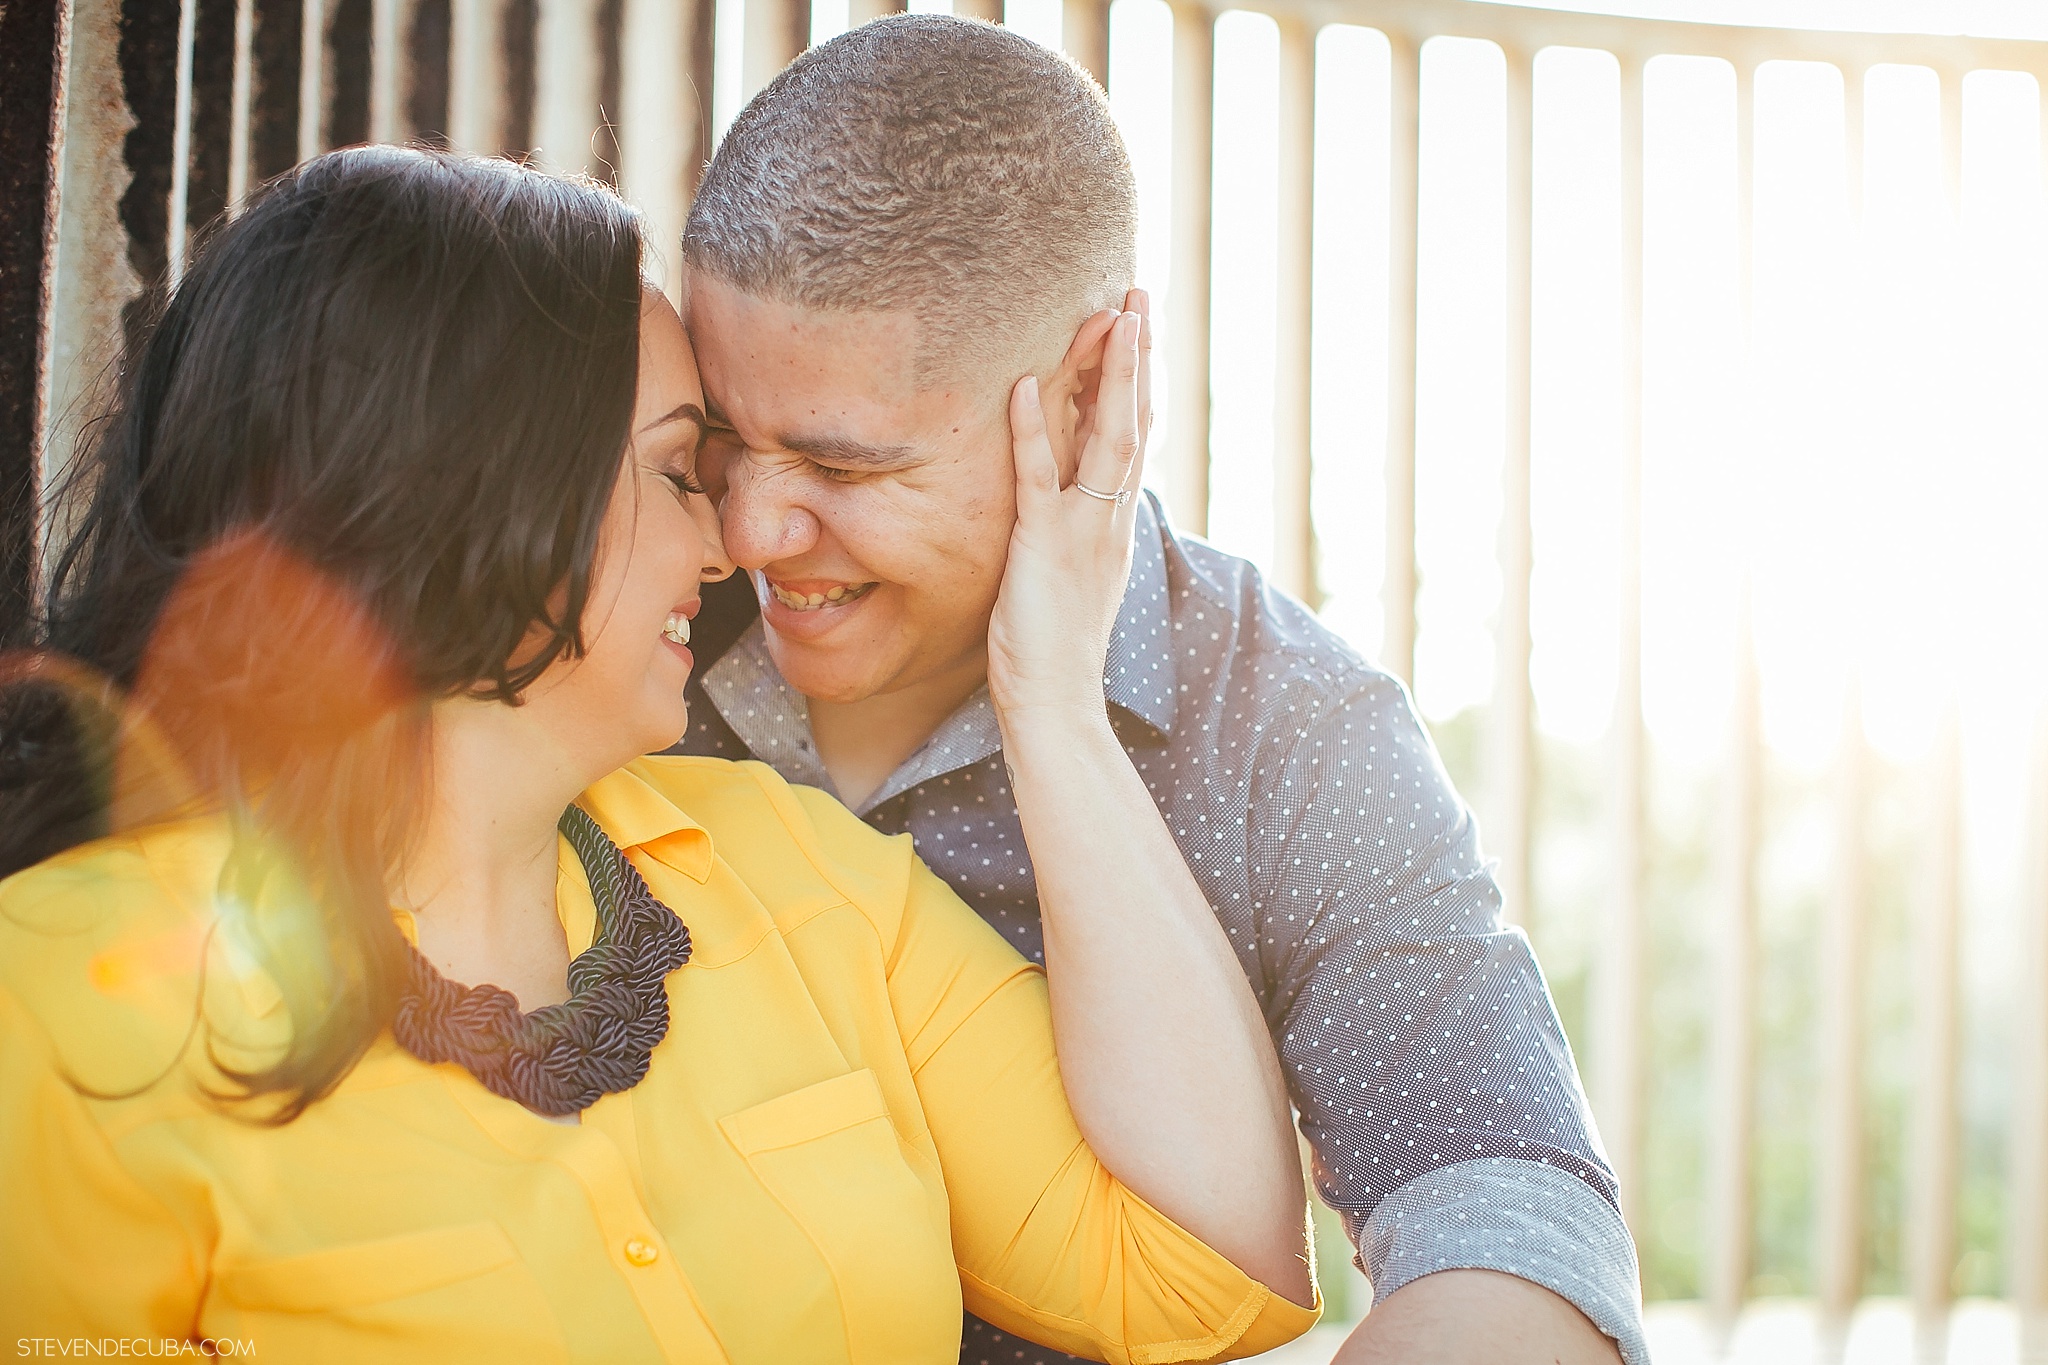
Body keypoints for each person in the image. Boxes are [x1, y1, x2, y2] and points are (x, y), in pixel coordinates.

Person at [0, 146, 1320, 1363]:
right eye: (683, 471)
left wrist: (1055, 704)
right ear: (476, 490)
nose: (729, 543)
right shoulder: (58, 994)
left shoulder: (805, 876)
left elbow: (1214, 1272)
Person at [674, 15, 1647, 1365]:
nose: (753, 528)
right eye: (721, 433)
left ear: (1083, 394)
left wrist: (1052, 709)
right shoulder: (608, 632)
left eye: (847, 470)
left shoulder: (1285, 722)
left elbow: (1500, 1195)